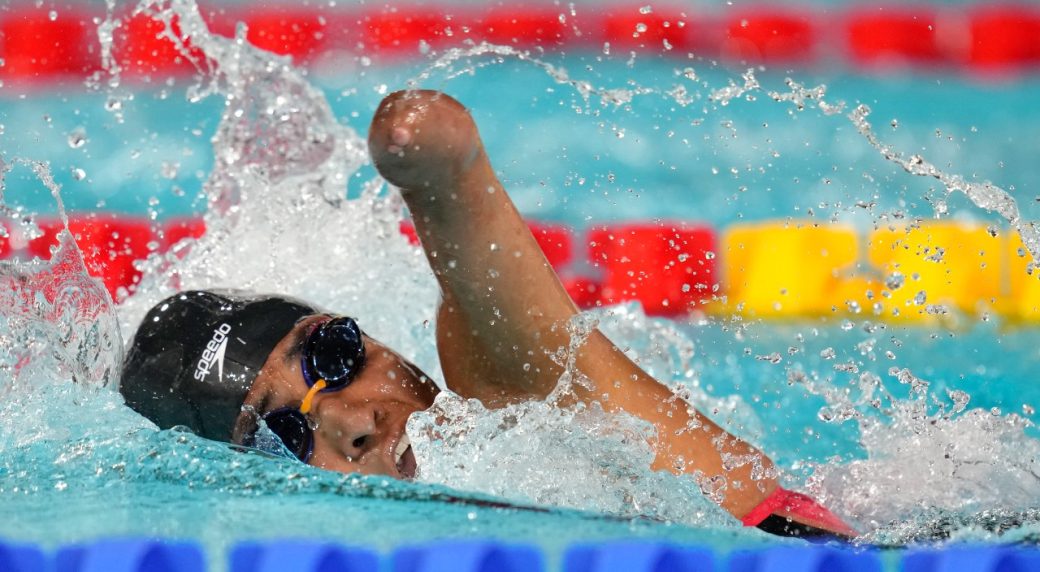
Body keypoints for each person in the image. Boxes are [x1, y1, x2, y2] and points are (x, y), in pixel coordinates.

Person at [120, 89, 856, 539]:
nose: (351, 422)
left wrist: (423, 168)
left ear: (369, 333)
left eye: (333, 356)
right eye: (282, 434)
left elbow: (458, 192)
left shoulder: (519, 404)